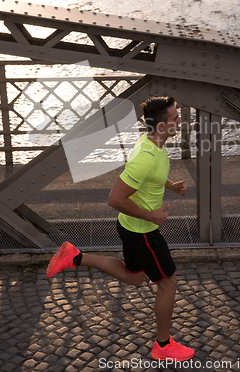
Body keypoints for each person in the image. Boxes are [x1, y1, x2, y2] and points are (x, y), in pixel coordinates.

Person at [46, 96, 194, 361]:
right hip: (142, 231)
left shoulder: (152, 143)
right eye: (174, 118)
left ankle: (74, 256)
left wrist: (170, 186)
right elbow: (115, 199)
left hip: (131, 227)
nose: (179, 121)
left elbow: (151, 177)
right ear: (161, 127)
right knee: (168, 283)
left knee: (135, 277)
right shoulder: (146, 158)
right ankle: (163, 346)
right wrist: (153, 216)